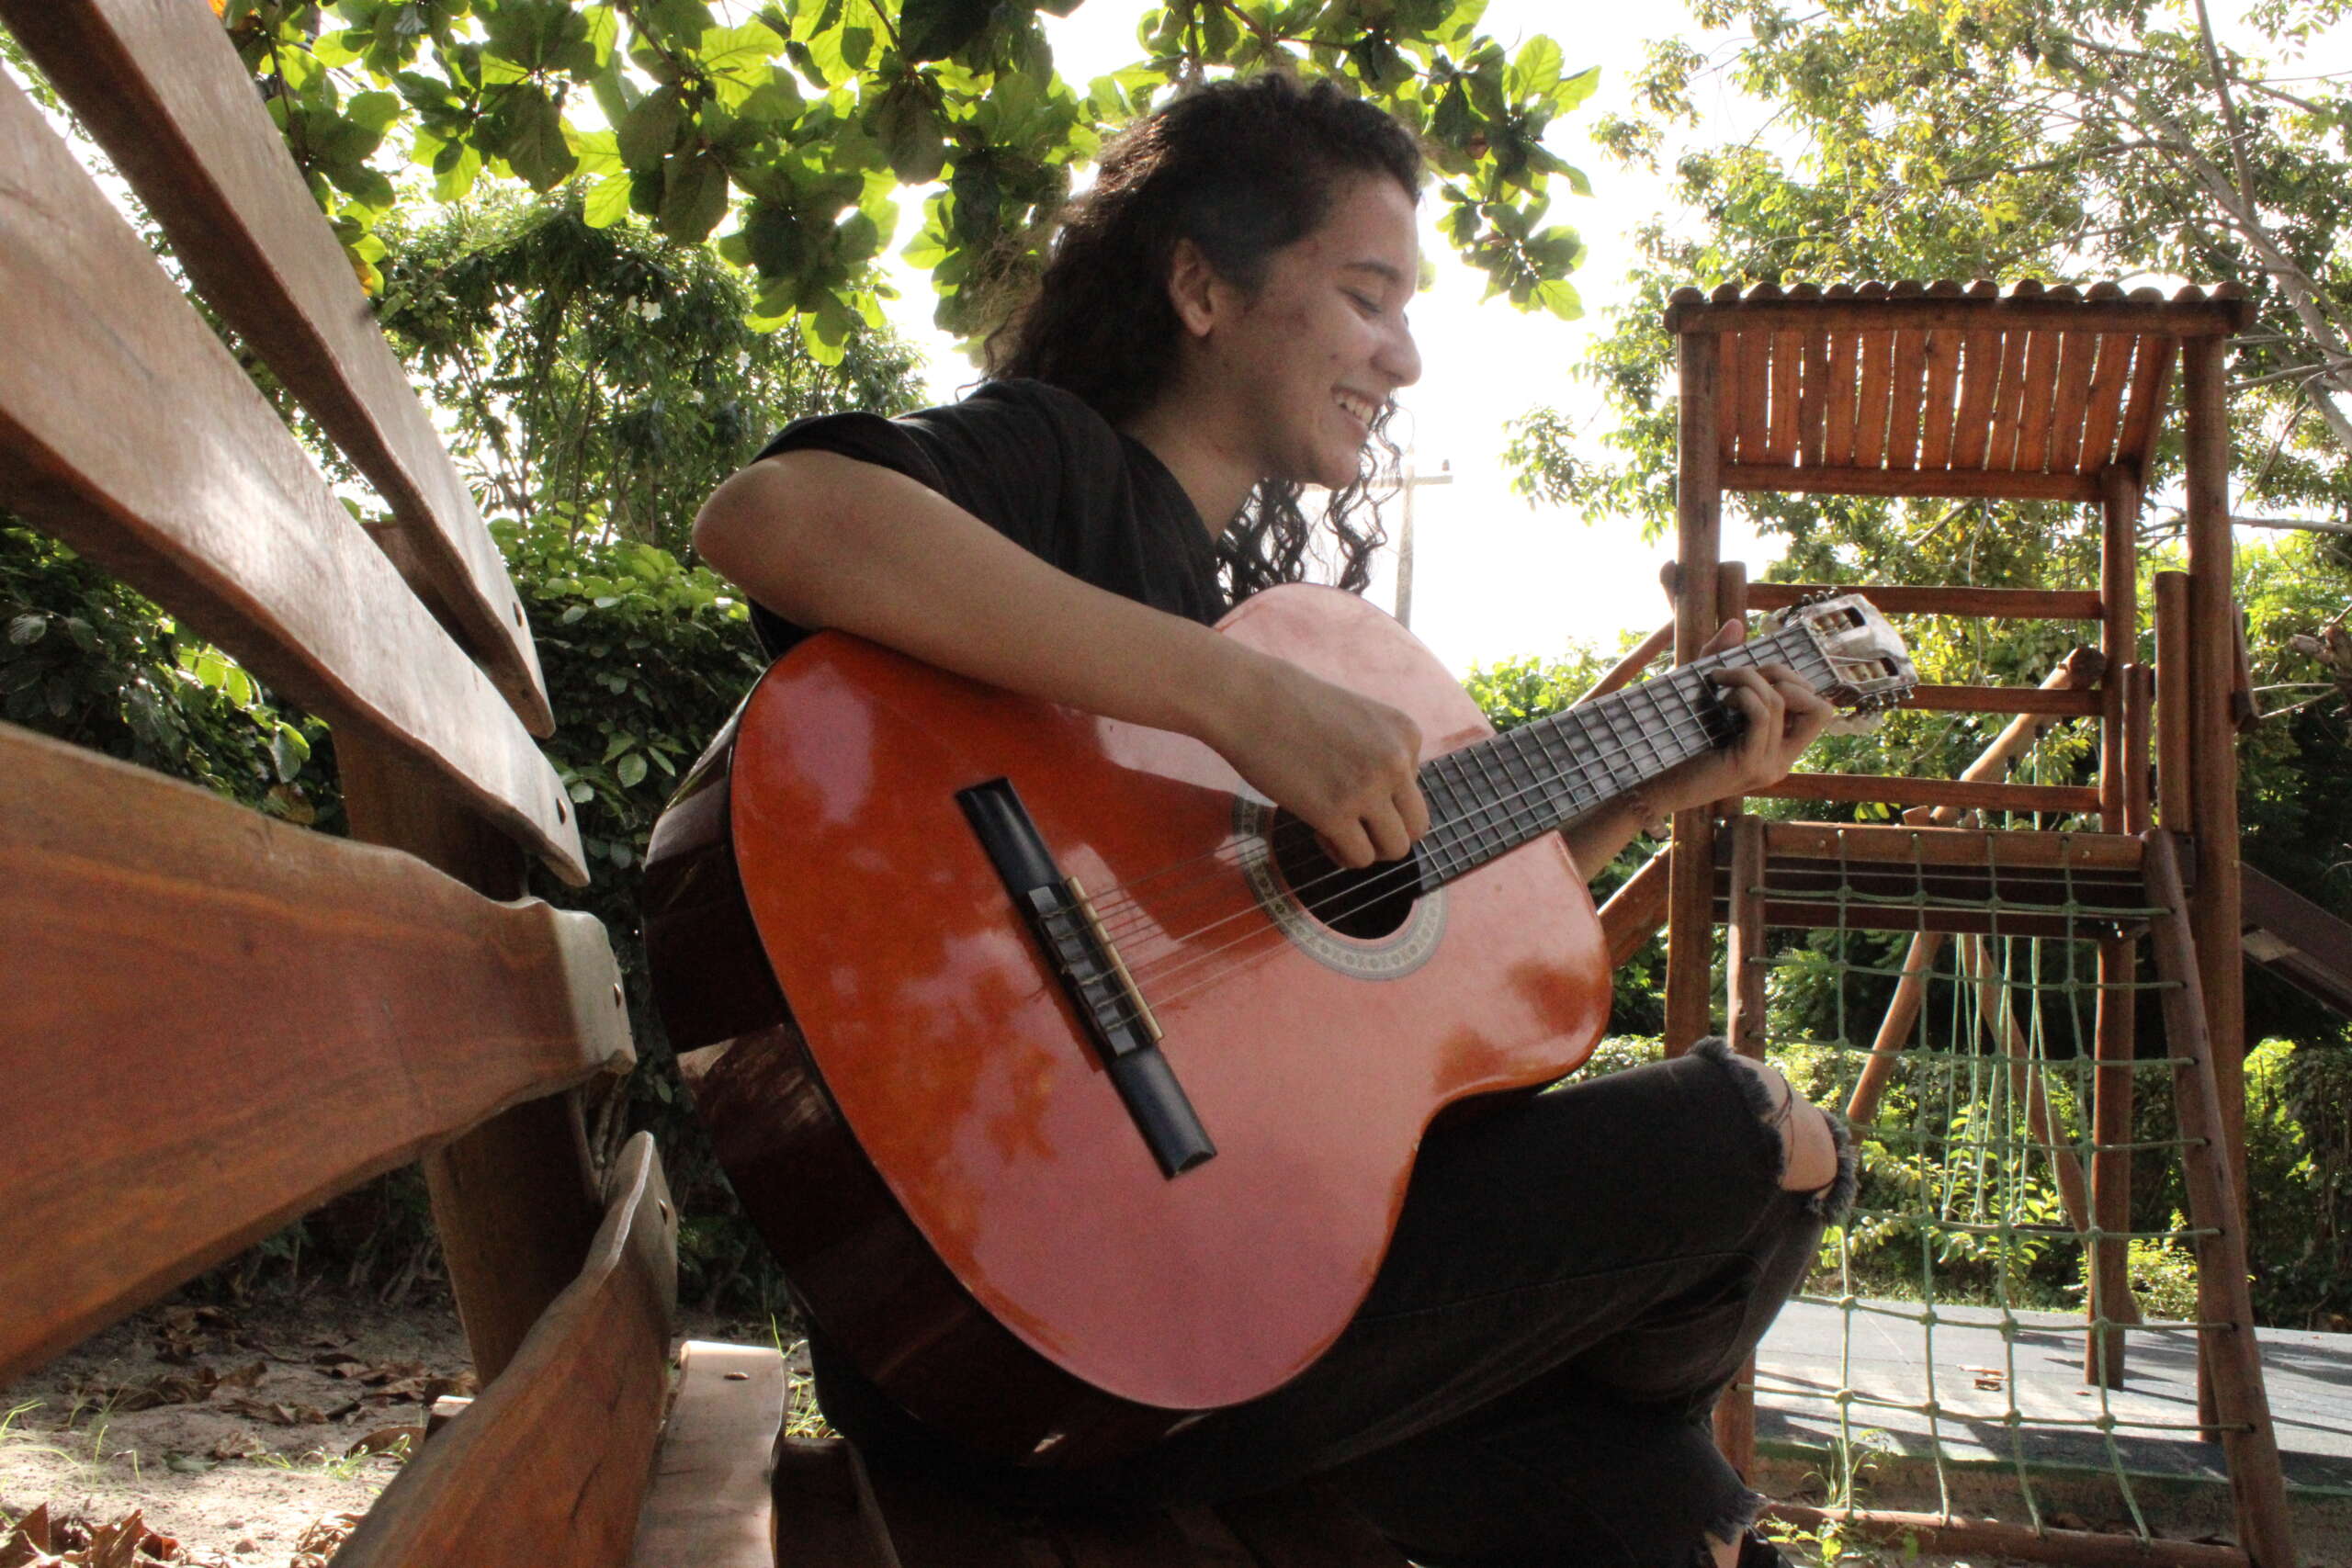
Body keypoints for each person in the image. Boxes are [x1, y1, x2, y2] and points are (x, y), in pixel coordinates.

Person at [693, 71, 1853, 1568]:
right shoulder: (1063, 469)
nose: (1408, 355)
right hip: (1012, 1331)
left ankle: (1541, 1430)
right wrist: (1237, 704)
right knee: (1742, 1135)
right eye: (1369, 293)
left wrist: (1648, 791)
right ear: (1199, 286)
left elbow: (1398, 971)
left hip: (1191, 1312)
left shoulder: (1234, 608)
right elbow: (771, 519)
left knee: (1679, 1507)